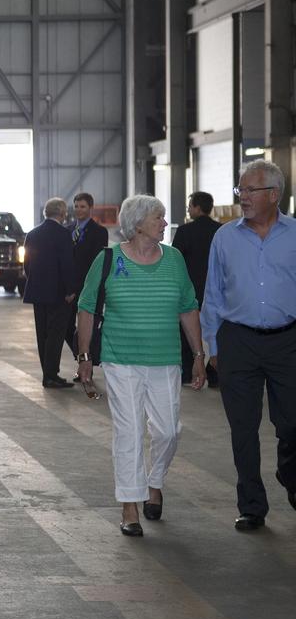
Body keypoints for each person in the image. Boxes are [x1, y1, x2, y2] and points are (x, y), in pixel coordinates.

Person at [76, 195, 205, 537]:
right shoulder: (108, 260)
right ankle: (129, 506)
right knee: (129, 431)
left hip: (165, 359)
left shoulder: (175, 259)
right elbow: (87, 308)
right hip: (121, 361)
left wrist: (199, 356)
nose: (165, 223)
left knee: (168, 430)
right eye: (159, 218)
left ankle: (155, 480)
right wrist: (85, 357)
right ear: (137, 223)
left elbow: (188, 307)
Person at [201, 160, 296, 532]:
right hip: (237, 340)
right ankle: (252, 505)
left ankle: (289, 475)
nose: (241, 197)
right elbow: (213, 291)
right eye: (240, 190)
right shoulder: (225, 237)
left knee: (291, 424)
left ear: (274, 195)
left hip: (287, 341)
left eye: (249, 190)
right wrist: (211, 346)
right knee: (243, 428)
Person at [22, 197, 76, 389]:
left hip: (38, 292)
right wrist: (70, 289)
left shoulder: (32, 233)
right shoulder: (63, 234)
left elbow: (26, 264)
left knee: (42, 334)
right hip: (58, 294)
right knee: (55, 335)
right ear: (62, 213)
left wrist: (36, 282)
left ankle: (47, 373)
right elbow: (67, 264)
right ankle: (51, 375)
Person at [172, 191, 221, 387]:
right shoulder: (222, 230)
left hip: (190, 291)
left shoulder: (184, 231)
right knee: (217, 333)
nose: (188, 209)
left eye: (190, 205)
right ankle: (215, 375)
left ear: (198, 208)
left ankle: (186, 374)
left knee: (186, 332)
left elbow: (175, 261)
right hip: (216, 291)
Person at [67, 192, 109, 374]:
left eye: (82, 206)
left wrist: (83, 287)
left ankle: (87, 366)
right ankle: (81, 358)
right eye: (76, 206)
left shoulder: (99, 232)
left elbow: (95, 263)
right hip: (69, 289)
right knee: (67, 327)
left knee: (90, 328)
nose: (78, 210)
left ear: (90, 208)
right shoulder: (67, 231)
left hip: (90, 288)